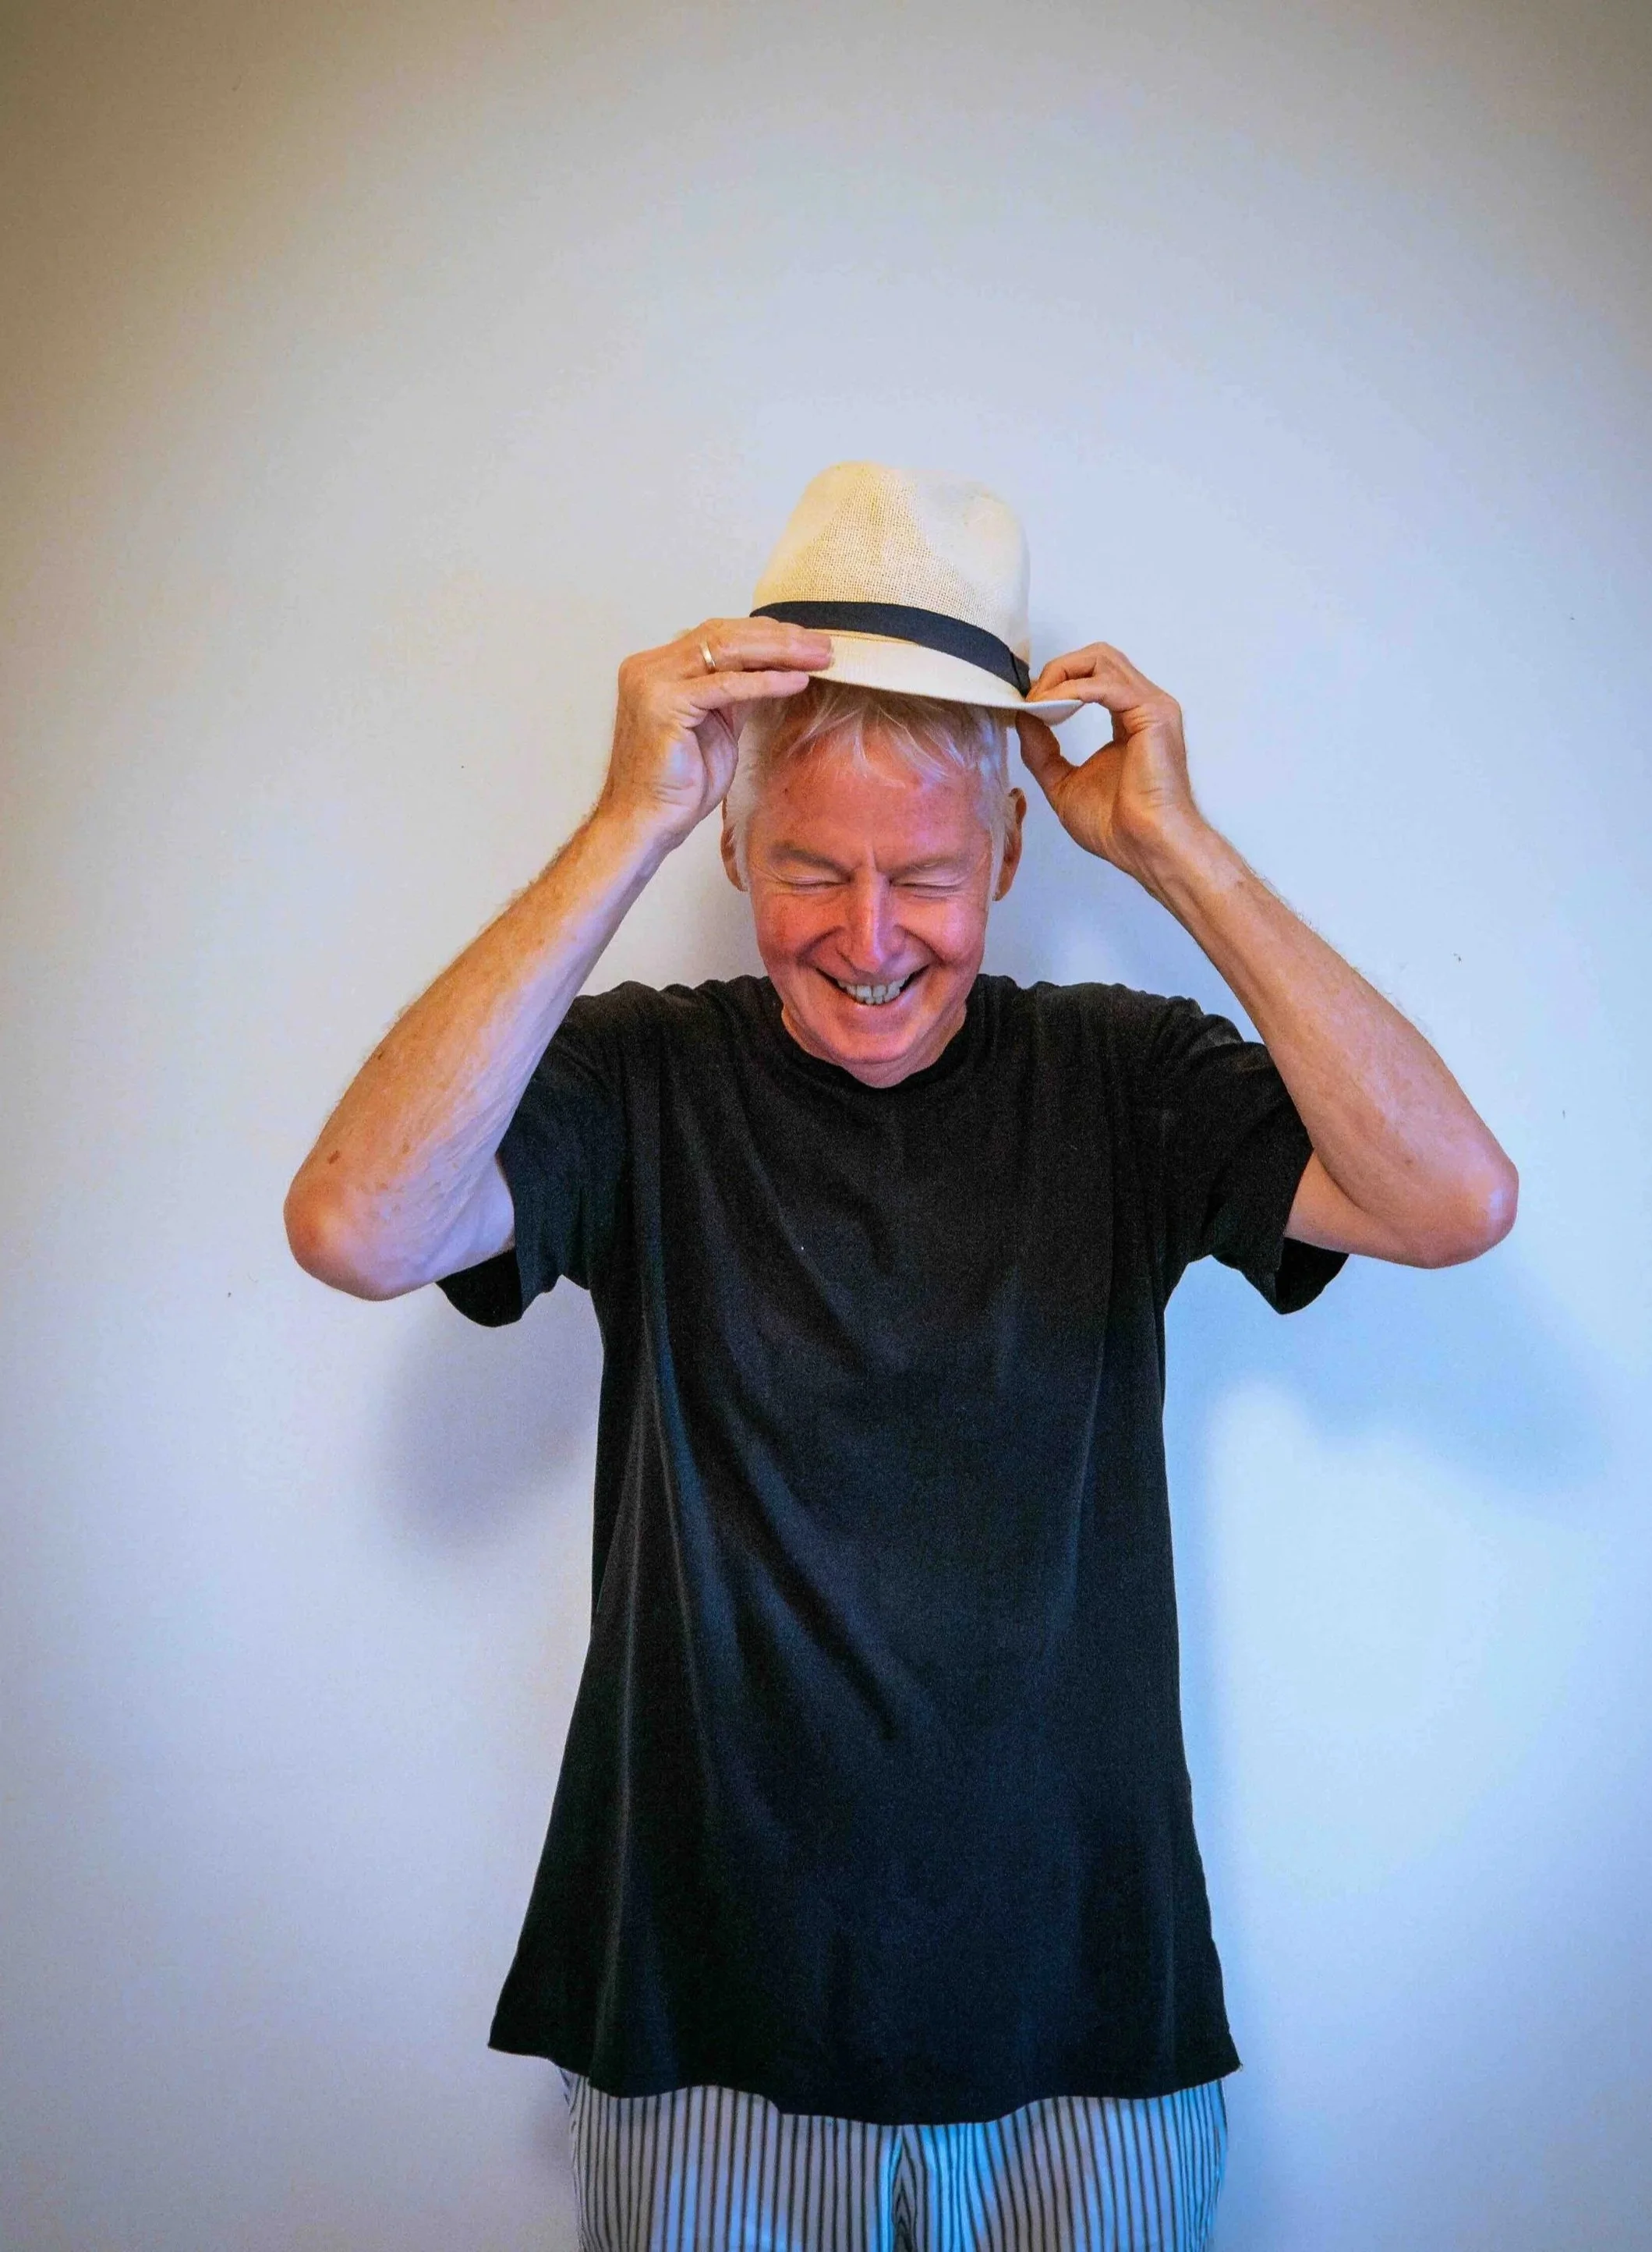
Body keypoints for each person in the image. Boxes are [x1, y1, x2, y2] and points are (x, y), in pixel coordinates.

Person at [285, 463, 1516, 2251]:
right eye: (811, 870)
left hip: (1087, 2026)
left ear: (1014, 850)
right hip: (705, 2022)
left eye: (928, 875)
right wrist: (621, 818)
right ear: (733, 848)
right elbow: (357, 1226)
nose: (869, 942)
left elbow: (1452, 1198)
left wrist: (1178, 846)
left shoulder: (1122, 1078)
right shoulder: (643, 1082)